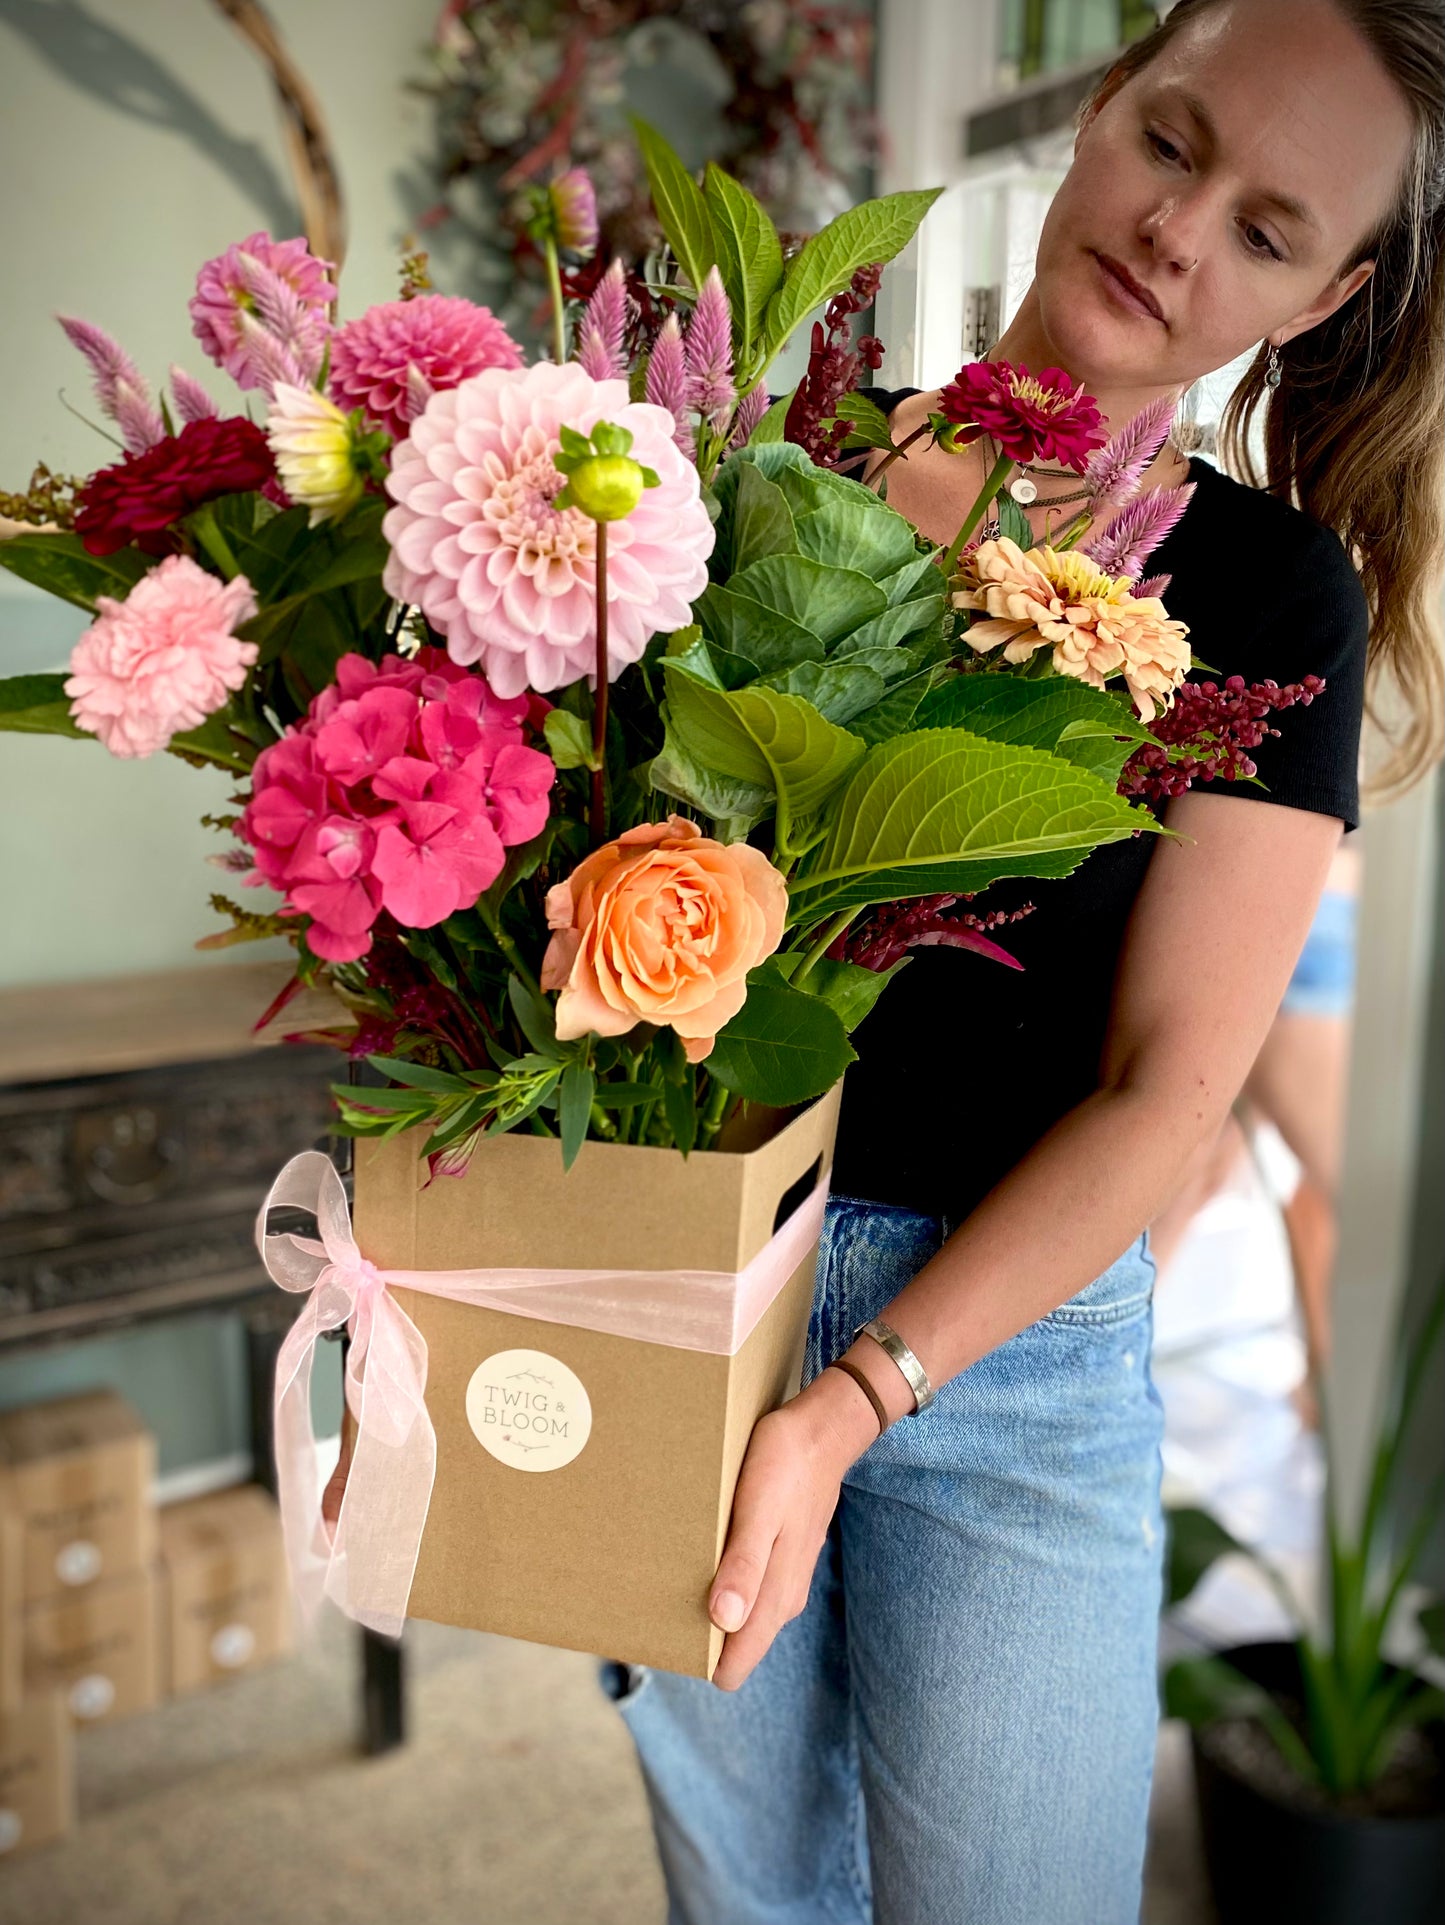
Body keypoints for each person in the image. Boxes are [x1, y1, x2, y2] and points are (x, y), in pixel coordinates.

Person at [589, 3, 1445, 1921]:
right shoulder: (747, 469)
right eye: (1170, 140)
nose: (1176, 226)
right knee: (751, 1907)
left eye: (1266, 228)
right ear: (1092, 115)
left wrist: (851, 1398)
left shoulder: (1260, 595)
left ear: (1323, 301)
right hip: (698, 1274)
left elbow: (1173, 1092)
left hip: (1008, 1370)